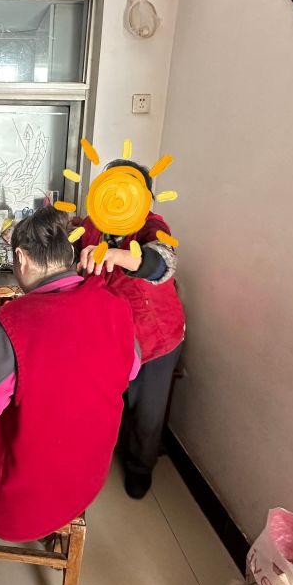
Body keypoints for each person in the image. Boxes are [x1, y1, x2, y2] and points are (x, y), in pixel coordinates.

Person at [0, 207, 140, 542]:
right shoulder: (116, 306)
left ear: (21, 258)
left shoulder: (12, 324)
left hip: (18, 508)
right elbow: (131, 369)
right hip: (85, 484)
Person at [75, 159, 186, 500]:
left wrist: (120, 256)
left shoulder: (153, 226)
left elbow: (163, 262)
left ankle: (140, 467)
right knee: (103, 401)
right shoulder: (92, 224)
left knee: (148, 411)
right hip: (108, 333)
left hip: (156, 337)